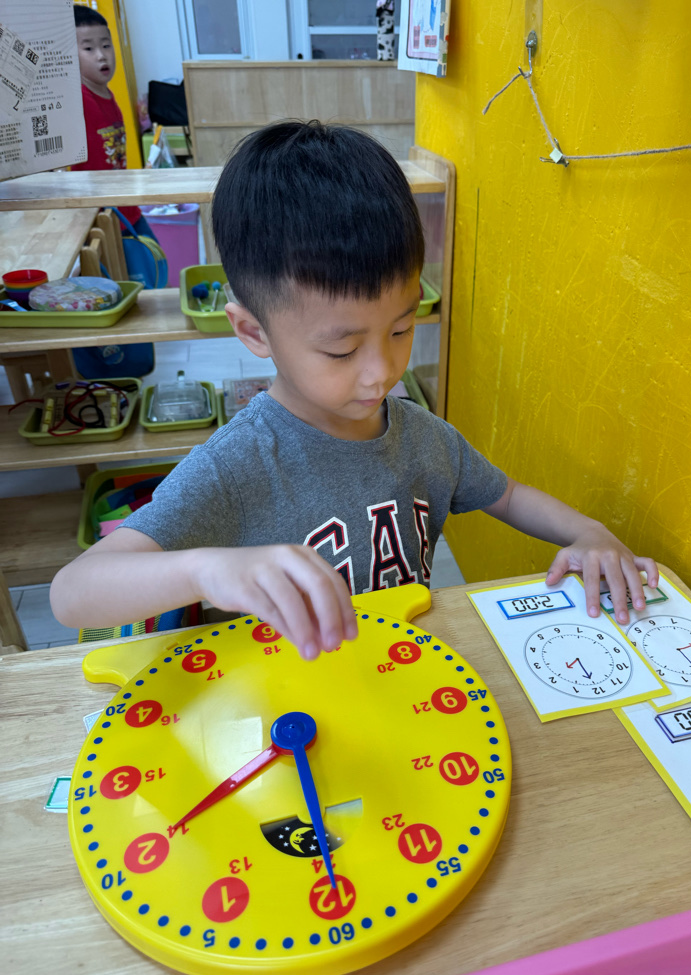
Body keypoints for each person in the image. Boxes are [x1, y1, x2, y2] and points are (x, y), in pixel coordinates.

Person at [51, 120, 658, 660]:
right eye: (342, 350)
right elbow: (73, 593)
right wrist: (205, 570)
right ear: (254, 332)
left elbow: (509, 495)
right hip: (293, 708)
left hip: (402, 679)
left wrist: (588, 534)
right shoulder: (237, 466)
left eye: (401, 329)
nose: (381, 371)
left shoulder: (421, 437)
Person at [71, 5, 157, 241]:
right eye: (88, 48)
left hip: (125, 207)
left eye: (106, 45)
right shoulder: (78, 97)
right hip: (100, 217)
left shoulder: (108, 95)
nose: (101, 55)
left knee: (155, 257)